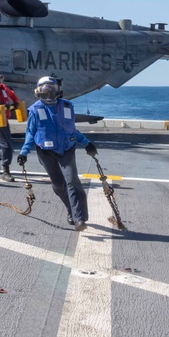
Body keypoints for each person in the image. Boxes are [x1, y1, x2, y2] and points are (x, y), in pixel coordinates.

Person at [17, 76, 98, 232]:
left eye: (51, 92)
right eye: (44, 92)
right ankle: (71, 209)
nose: (48, 96)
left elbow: (72, 130)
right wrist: (24, 152)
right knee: (59, 185)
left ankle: (79, 218)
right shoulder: (35, 110)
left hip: (66, 150)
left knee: (72, 181)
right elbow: (30, 133)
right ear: (38, 93)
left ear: (58, 92)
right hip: (46, 153)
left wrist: (87, 143)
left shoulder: (67, 107)